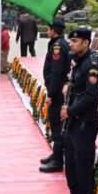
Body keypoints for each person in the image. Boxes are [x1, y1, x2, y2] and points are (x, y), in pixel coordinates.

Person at [52, 27, 98, 194]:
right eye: (71, 41)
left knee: (83, 167)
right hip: (72, 123)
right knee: (71, 165)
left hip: (84, 124)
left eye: (75, 41)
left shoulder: (92, 66)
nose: (71, 44)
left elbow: (91, 97)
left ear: (86, 43)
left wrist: (69, 111)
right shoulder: (79, 63)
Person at [39, 20, 70, 173]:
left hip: (56, 92)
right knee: (55, 124)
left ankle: (58, 161)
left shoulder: (57, 47)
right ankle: (56, 154)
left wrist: (50, 95)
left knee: (56, 124)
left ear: (53, 31)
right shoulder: (59, 43)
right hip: (57, 89)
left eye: (48, 29)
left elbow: (56, 73)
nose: (47, 31)